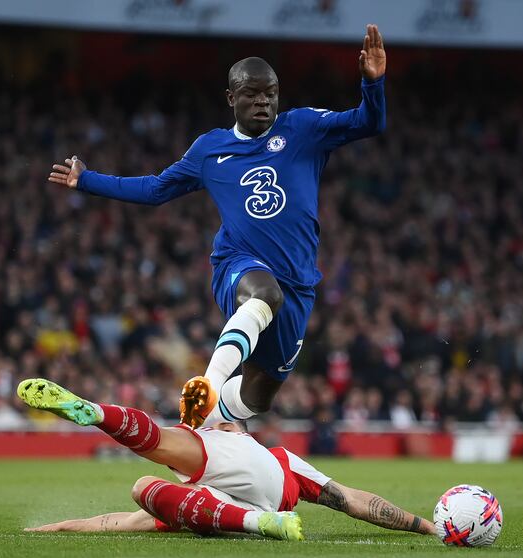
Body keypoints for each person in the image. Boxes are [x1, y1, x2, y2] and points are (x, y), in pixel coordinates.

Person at [47, 25, 387, 428]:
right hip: (239, 263)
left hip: (300, 283)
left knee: (258, 397)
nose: (263, 101)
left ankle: (204, 424)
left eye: (270, 93)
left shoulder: (304, 128)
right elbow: (156, 189)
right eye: (251, 93)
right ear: (231, 98)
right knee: (264, 292)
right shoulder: (210, 149)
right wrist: (86, 180)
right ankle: (205, 389)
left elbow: (369, 122)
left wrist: (373, 83)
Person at [17, 378, 434, 539]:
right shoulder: (283, 460)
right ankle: (262, 523)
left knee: (152, 467)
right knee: (150, 488)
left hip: (241, 488)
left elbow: (119, 520)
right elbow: (351, 499)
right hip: (246, 509)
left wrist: (55, 527)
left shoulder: (235, 442)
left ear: (236, 429)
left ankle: (97, 413)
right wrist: (427, 527)